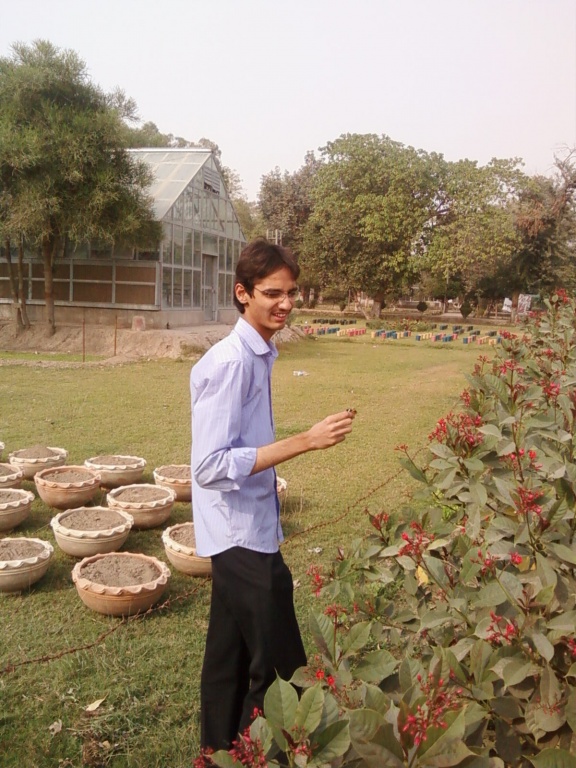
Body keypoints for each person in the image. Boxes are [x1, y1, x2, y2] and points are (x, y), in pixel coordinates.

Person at [190, 238, 355, 752]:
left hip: (246, 525)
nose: (284, 303)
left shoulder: (259, 354)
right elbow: (209, 466)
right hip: (241, 536)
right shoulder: (232, 362)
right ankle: (271, 754)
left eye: (291, 293)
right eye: (271, 293)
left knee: (230, 654)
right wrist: (305, 441)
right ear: (242, 293)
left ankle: (221, 752)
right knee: (281, 668)